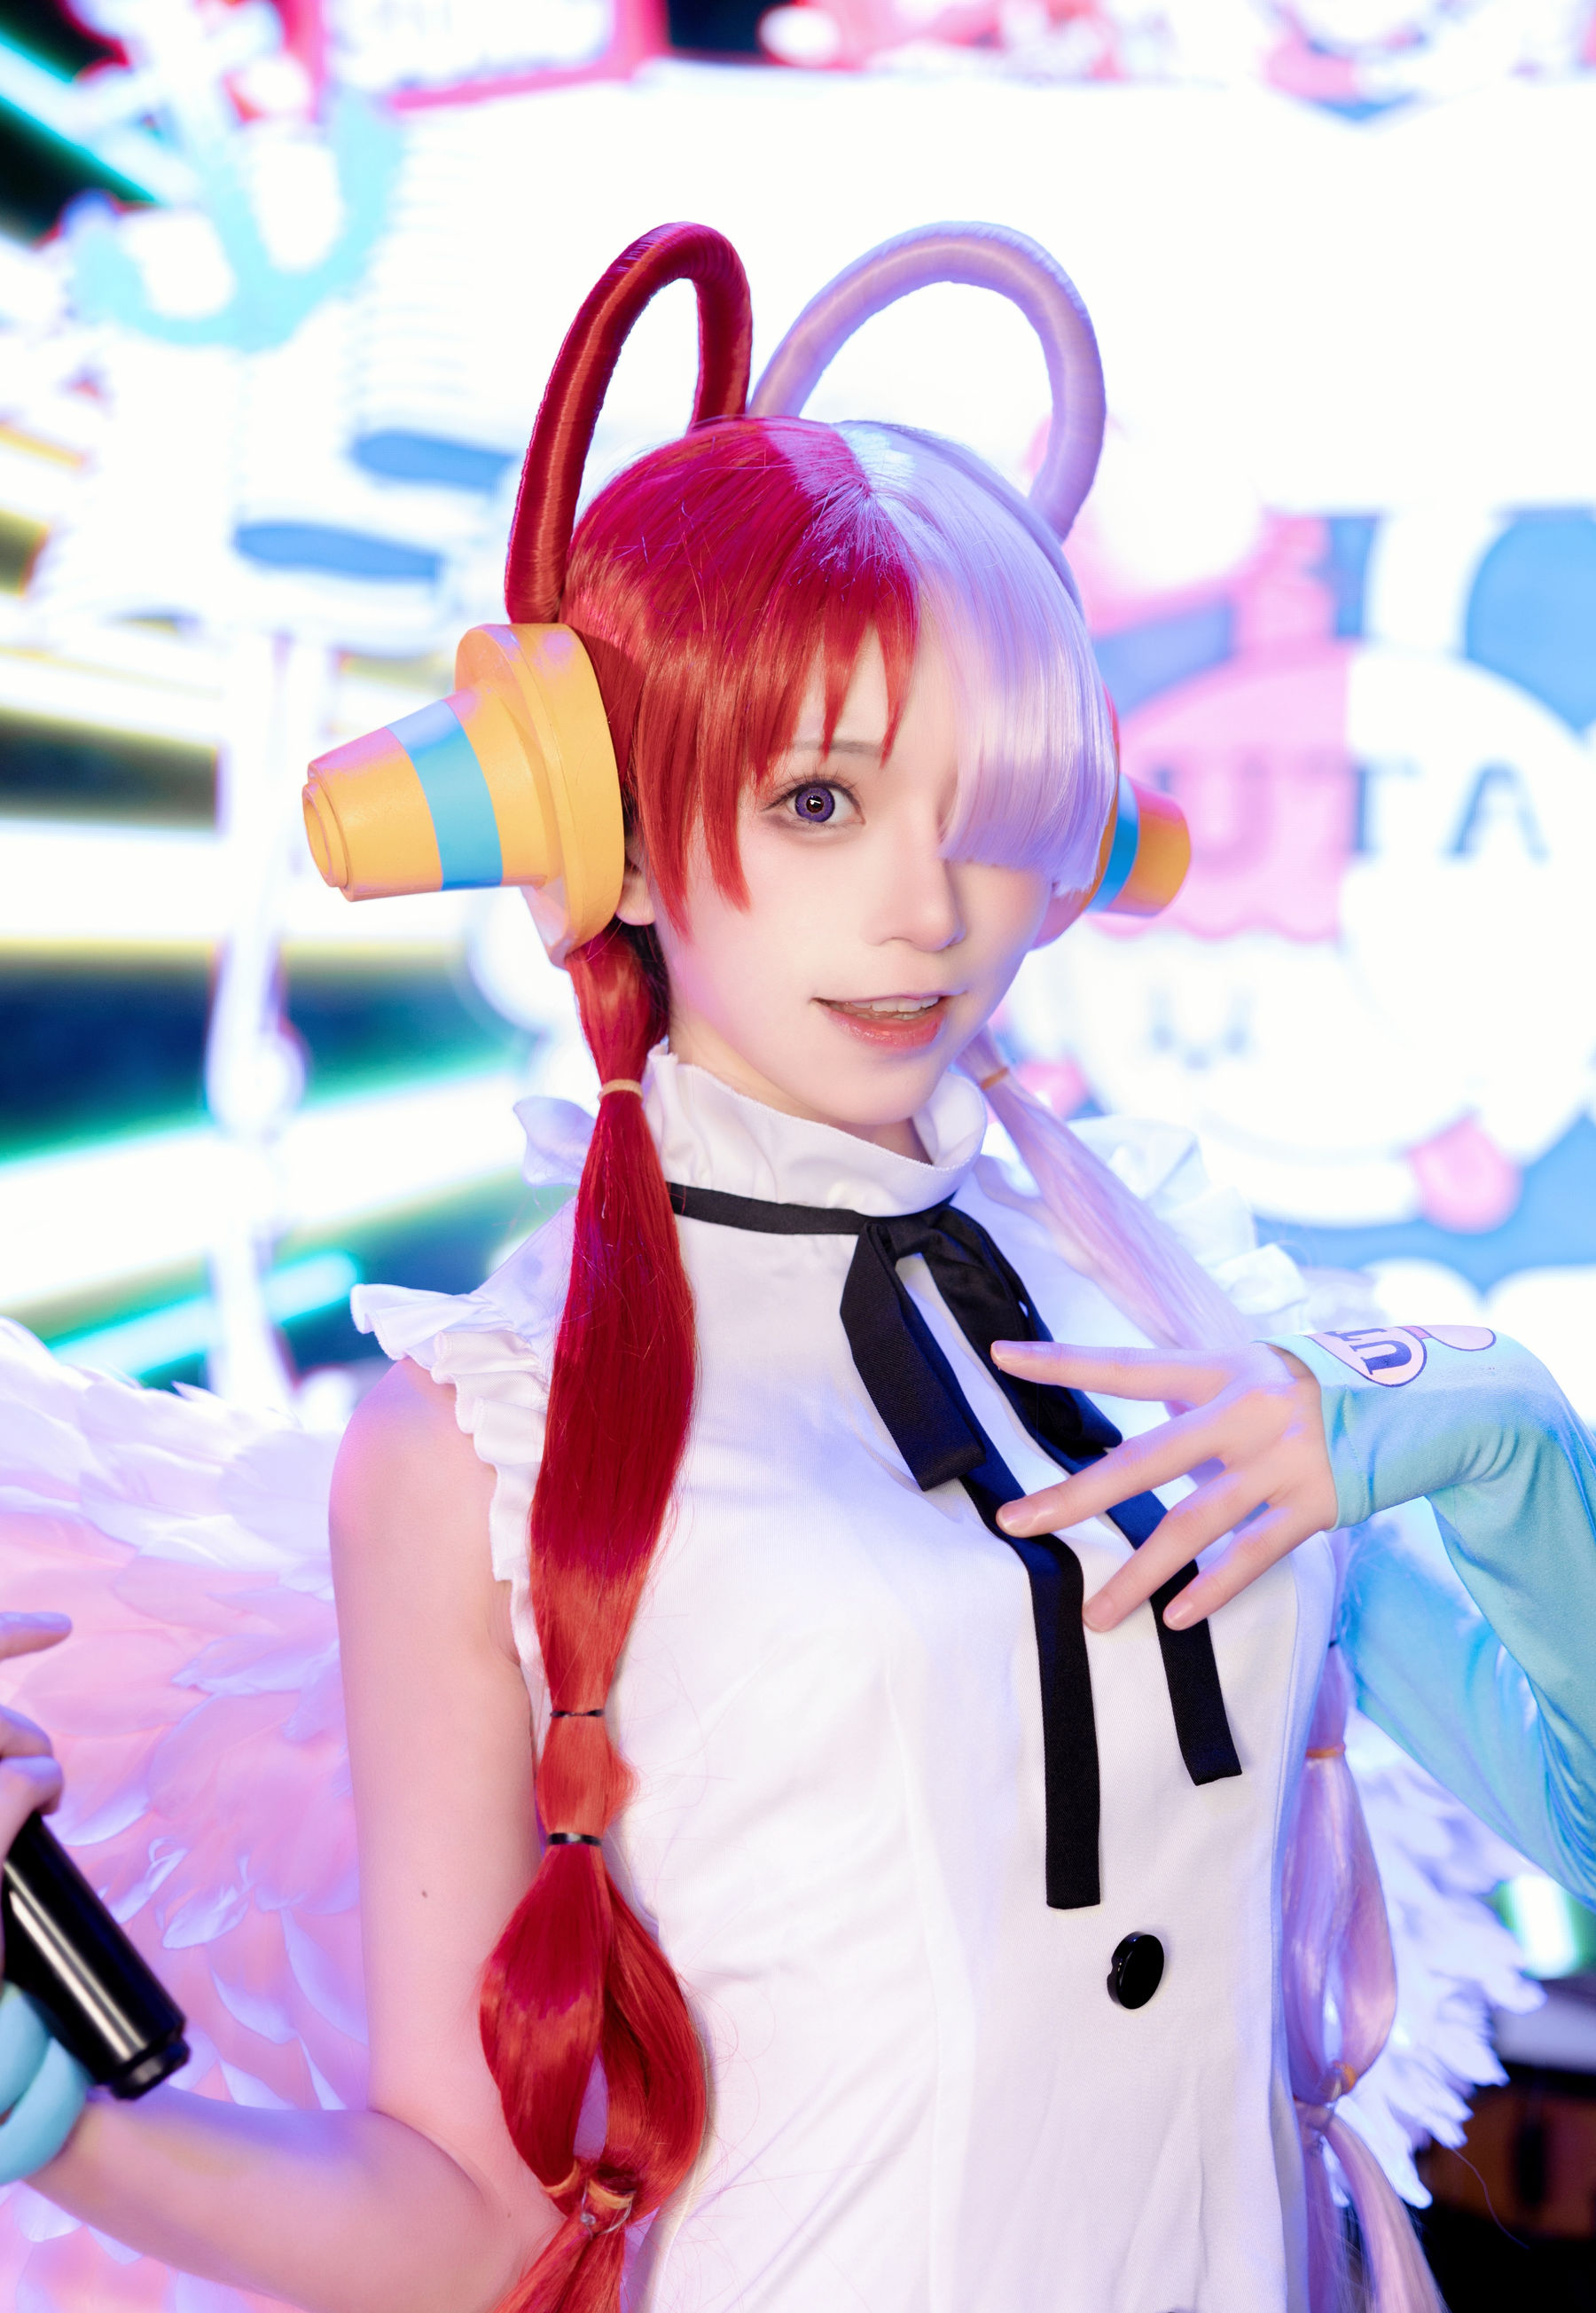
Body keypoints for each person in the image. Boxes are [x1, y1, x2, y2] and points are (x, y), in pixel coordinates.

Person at [0, 221, 1592, 2313]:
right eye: (821, 798)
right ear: (608, 826)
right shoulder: (484, 1434)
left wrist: (1496, 1428)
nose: (925, 905)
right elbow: (473, 2216)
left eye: (988, 805)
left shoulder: (1183, 1307)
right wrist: (65, 2119)